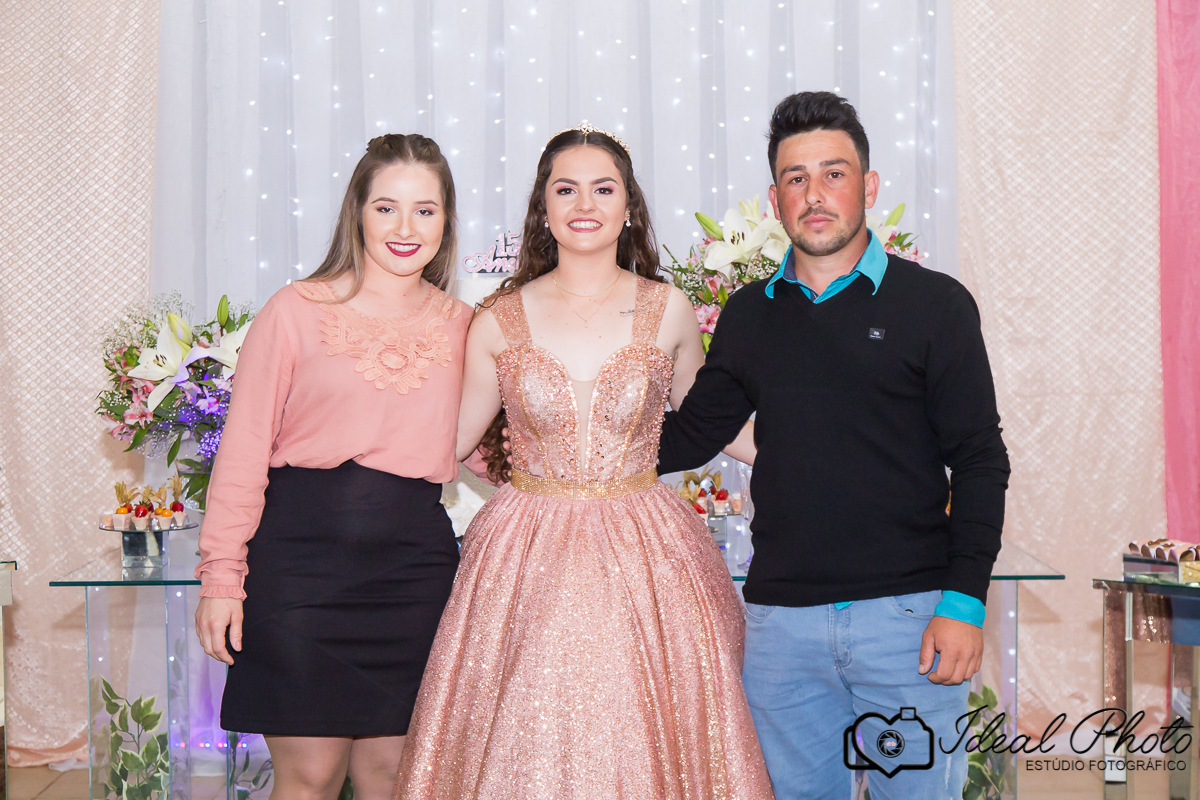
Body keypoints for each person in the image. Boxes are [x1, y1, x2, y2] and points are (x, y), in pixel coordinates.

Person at [393, 124, 774, 800]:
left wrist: (821, 457)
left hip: (649, 549)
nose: (585, 204)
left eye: (604, 188)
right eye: (566, 189)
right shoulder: (499, 317)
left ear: (629, 206)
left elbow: (713, 424)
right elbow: (449, 441)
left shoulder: (668, 309)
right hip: (523, 554)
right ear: (543, 206)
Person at [657, 92, 1010, 800]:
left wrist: (965, 601)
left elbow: (979, 459)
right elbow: (688, 436)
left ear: (868, 186)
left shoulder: (935, 305)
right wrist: (554, 445)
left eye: (834, 174)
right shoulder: (748, 315)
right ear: (775, 199)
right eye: (796, 178)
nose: (814, 194)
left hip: (910, 621)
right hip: (781, 630)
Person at [194, 134, 470, 800]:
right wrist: (222, 576)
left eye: (425, 210)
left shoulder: (467, 326)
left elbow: (495, 448)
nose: (406, 228)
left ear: (446, 222)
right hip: (297, 570)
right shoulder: (295, 310)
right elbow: (243, 450)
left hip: (414, 576)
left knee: (392, 778)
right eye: (386, 208)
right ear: (357, 212)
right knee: (310, 776)